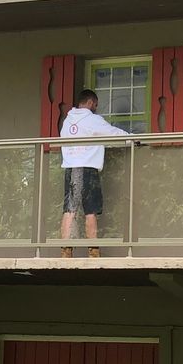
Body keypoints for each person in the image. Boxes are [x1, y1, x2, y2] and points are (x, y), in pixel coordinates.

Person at [59, 89, 129, 258]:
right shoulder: (92, 120)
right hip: (87, 169)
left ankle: (65, 250)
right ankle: (93, 251)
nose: (96, 108)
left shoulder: (67, 121)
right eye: (95, 105)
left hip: (70, 168)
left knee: (69, 210)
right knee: (90, 210)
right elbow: (112, 134)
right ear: (90, 102)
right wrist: (133, 139)